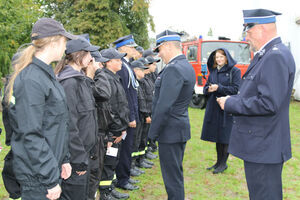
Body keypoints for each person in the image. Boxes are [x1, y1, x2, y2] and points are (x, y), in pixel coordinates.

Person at [217, 9, 296, 200]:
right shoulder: (268, 54)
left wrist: (231, 103)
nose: (247, 37)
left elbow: (268, 103)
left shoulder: (274, 56)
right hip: (262, 145)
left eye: (248, 32)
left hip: (264, 146)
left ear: (261, 29)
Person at [2, 18, 76, 200]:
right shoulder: (31, 80)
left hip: (49, 168)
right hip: (38, 177)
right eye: (64, 42)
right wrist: (50, 179)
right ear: (53, 42)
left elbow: (56, 125)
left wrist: (64, 159)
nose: (65, 48)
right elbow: (30, 135)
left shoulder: (46, 75)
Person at [148, 30, 196, 200]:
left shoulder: (174, 69)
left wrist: (152, 133)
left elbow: (164, 106)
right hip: (178, 129)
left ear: (168, 46)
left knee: (172, 178)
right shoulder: (185, 66)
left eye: (159, 49)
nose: (159, 54)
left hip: (170, 131)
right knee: (175, 174)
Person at [55, 37, 100, 200]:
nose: (91, 58)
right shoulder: (69, 83)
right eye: (88, 53)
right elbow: (69, 124)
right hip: (75, 158)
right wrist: (78, 158)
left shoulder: (80, 80)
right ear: (79, 56)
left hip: (83, 154)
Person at [201, 48, 241, 174]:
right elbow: (206, 87)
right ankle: (218, 162)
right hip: (214, 106)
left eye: (221, 57)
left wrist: (219, 88)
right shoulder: (213, 71)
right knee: (217, 135)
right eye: (216, 57)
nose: (218, 59)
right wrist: (208, 89)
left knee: (225, 136)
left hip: (227, 106)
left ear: (226, 58)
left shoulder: (235, 71)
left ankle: (223, 163)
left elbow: (236, 89)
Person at [99, 48, 130, 199]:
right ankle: (105, 193)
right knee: (109, 162)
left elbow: (121, 105)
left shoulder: (114, 77)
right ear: (108, 62)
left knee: (113, 161)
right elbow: (110, 109)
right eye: (117, 60)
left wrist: (122, 128)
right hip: (112, 131)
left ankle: (110, 188)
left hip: (118, 129)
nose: (121, 63)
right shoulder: (106, 79)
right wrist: (116, 131)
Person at [113, 35, 141, 190]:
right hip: (126, 116)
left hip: (131, 113)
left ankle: (125, 176)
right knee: (124, 150)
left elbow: (132, 92)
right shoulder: (122, 66)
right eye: (131, 47)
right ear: (123, 48)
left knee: (128, 148)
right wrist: (131, 116)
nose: (133, 50)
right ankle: (122, 179)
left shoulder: (126, 65)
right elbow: (124, 94)